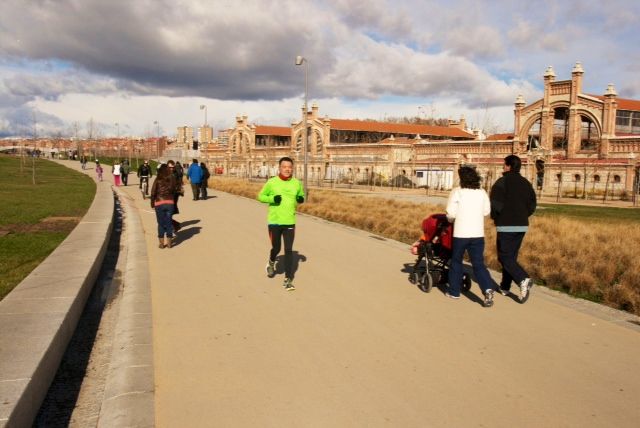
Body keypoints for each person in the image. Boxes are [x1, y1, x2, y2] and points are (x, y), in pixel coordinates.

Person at [445, 166, 495, 308]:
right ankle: (487, 288)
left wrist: (450, 220)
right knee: (478, 264)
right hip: (478, 234)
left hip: (461, 233)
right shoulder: (482, 193)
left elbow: (451, 214)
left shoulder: (457, 192)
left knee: (456, 261)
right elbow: (486, 211)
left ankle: (454, 291)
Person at [490, 155, 537, 302]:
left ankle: (523, 279)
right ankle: (505, 286)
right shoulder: (526, 183)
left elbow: (495, 204)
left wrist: (496, 218)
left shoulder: (502, 182)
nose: (503, 167)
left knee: (504, 257)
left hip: (506, 224)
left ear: (509, 166)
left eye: (504, 164)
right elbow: (532, 205)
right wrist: (523, 215)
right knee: (511, 257)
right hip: (522, 225)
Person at [257, 157, 305, 291]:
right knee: (276, 248)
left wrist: (301, 198)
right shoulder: (272, 182)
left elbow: (301, 195)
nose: (287, 169)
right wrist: (272, 198)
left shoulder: (296, 183)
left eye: (289, 167)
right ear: (280, 168)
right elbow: (260, 196)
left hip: (290, 221)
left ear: (292, 168)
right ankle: (271, 262)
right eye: (284, 167)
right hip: (275, 222)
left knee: (288, 250)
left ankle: (288, 279)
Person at [150, 164, 177, 249]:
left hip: (159, 203)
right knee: (169, 223)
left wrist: (152, 202)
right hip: (169, 203)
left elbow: (153, 192)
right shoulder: (172, 178)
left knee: (161, 224)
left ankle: (161, 243)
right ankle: (169, 243)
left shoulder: (158, 179)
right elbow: (174, 190)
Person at [167, 159, 183, 232]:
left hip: (174, 195)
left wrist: (179, 189)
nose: (171, 169)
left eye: (173, 167)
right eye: (170, 167)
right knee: (166, 214)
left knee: (169, 212)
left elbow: (179, 183)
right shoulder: (164, 173)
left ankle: (173, 226)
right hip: (165, 195)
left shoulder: (176, 174)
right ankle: (175, 225)